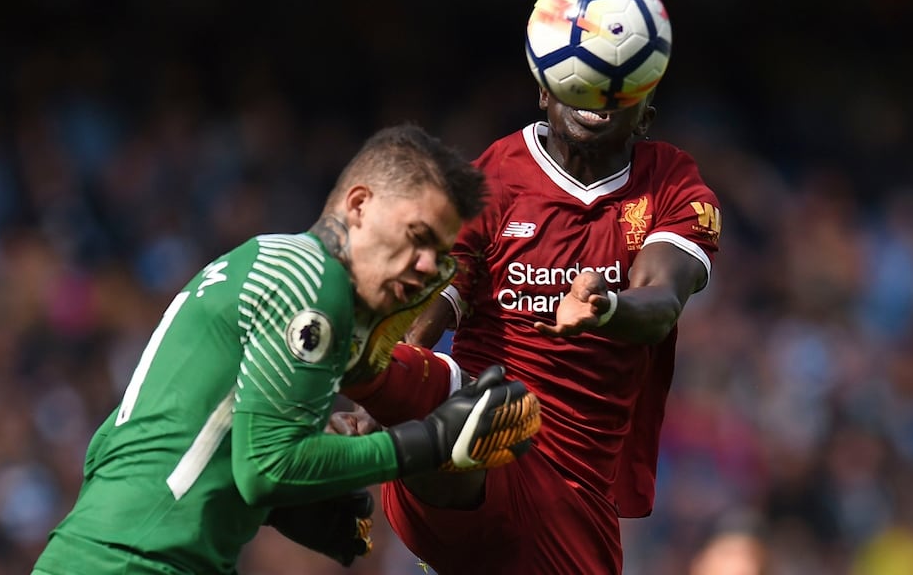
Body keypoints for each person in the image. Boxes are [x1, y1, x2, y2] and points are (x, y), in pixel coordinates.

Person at [30, 123, 542, 575]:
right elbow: (268, 467)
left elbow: (129, 446)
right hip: (138, 562)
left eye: (438, 250)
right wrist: (429, 441)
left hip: (106, 552)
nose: (429, 265)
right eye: (416, 236)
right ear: (360, 206)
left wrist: (291, 507)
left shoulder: (264, 263)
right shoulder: (312, 280)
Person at [343, 87, 722, 574]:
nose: (597, 97)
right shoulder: (494, 178)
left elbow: (662, 299)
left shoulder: (670, 184)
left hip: (573, 489)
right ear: (545, 92)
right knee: (444, 386)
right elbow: (427, 308)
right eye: (581, 82)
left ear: (646, 112)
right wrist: (371, 401)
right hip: (484, 423)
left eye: (618, 87)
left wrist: (606, 307)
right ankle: (424, 425)